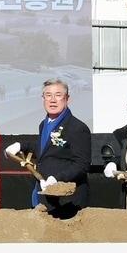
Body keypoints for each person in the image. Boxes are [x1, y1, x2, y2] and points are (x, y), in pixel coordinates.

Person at [34, 79, 91, 218]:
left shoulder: (78, 127)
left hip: (67, 201)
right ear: (43, 98)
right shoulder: (43, 124)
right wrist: (21, 146)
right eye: (48, 95)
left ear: (67, 99)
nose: (52, 100)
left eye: (58, 95)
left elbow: (82, 164)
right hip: (45, 198)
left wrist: (57, 179)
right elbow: (48, 152)